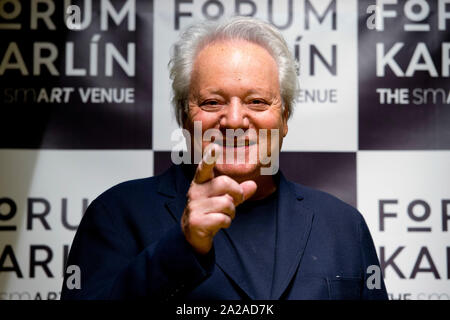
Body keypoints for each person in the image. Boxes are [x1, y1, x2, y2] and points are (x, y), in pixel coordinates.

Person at [61, 16, 388, 300]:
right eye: (212, 102)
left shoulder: (343, 226)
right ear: (184, 117)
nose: (233, 120)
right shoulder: (117, 214)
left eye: (257, 101)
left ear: (285, 118)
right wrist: (183, 246)